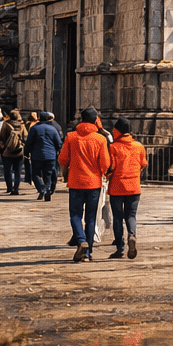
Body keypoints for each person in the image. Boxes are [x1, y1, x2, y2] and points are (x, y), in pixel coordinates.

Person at [58, 107, 112, 262]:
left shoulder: (71, 136)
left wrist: (68, 166)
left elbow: (62, 159)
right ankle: (88, 253)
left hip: (75, 181)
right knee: (90, 217)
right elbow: (105, 163)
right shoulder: (100, 139)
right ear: (96, 120)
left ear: (81, 119)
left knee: (75, 214)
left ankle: (81, 240)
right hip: (94, 182)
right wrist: (102, 172)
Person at [107, 118, 147, 258]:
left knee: (117, 218)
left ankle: (120, 247)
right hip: (134, 187)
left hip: (117, 187)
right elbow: (143, 164)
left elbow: (110, 166)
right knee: (131, 215)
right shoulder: (139, 146)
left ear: (117, 131)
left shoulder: (113, 147)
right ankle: (132, 235)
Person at [27, 111, 64, 201]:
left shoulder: (34, 128)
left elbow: (29, 142)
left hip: (37, 155)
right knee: (48, 174)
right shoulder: (53, 129)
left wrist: (26, 152)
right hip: (50, 156)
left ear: (39, 118)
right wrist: (57, 151)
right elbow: (59, 143)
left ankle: (42, 189)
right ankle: (47, 189)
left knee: (36, 174)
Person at [0, 109, 29, 196]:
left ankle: (9, 187)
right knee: (17, 171)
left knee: (8, 170)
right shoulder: (21, 125)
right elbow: (25, 137)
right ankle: (16, 189)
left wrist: (2, 148)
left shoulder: (6, 124)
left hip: (7, 151)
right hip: (19, 151)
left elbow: (1, 137)